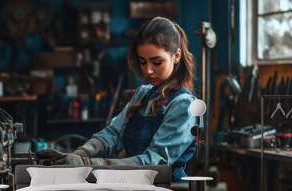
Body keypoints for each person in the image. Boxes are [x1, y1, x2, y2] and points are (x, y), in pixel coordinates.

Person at [39, 16, 197, 182]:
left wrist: (86, 163)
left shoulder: (184, 105)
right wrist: (79, 154)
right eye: (142, 62)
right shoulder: (143, 94)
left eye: (157, 62)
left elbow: (154, 162)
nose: (148, 70)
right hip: (134, 186)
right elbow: (112, 134)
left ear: (176, 56)